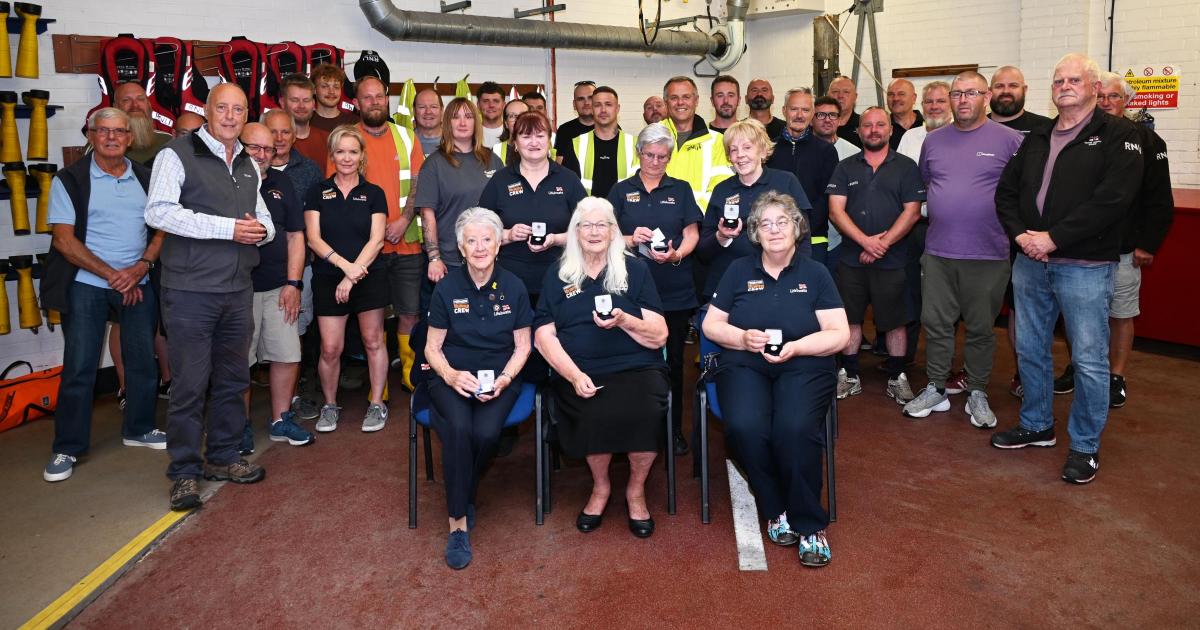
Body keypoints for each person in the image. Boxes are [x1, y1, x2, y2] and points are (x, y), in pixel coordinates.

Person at [993, 53, 1145, 484]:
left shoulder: (1119, 135)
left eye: (1074, 79)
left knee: (1090, 359)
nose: (1064, 86)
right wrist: (1021, 235)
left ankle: (1085, 446)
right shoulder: (1038, 135)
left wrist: (1053, 238)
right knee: (1030, 349)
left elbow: (1112, 200)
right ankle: (1037, 423)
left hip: (1083, 265)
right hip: (1029, 261)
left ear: (1094, 88)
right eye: (1058, 80)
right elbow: (1006, 192)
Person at [145, 83, 275, 510]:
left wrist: (262, 230)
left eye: (239, 109)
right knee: (189, 385)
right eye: (223, 108)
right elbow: (158, 211)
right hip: (190, 292)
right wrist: (228, 229)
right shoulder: (177, 155)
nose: (231, 116)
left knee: (234, 380)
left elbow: (265, 218)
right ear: (206, 110)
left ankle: (222, 457)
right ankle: (184, 472)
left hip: (237, 290)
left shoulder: (246, 163)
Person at [702, 191, 849, 567]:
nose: (774, 229)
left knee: (795, 428)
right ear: (754, 233)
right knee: (744, 426)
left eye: (782, 221)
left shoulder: (816, 273)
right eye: (764, 223)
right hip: (746, 361)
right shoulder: (738, 270)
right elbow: (711, 324)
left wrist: (798, 347)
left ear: (796, 227)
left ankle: (810, 523)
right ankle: (774, 506)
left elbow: (838, 333)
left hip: (804, 363)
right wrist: (742, 338)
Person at [41, 107, 166, 483]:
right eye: (103, 131)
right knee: (80, 367)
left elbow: (162, 229)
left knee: (143, 361)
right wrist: (114, 275)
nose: (112, 138)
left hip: (137, 282)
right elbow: (64, 240)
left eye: (119, 132)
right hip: (89, 285)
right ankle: (67, 447)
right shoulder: (71, 179)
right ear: (90, 135)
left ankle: (139, 428)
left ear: (130, 138)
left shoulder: (145, 178)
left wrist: (140, 268)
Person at [533, 197, 670, 538]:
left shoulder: (635, 269)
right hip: (579, 369)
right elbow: (543, 336)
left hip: (637, 365)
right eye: (586, 226)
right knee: (591, 410)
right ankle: (601, 486)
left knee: (647, 409)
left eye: (601, 225)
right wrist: (574, 375)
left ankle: (636, 490)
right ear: (576, 232)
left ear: (613, 231)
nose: (594, 232)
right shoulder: (558, 273)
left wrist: (625, 320)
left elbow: (660, 335)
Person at [900, 72, 1023, 427]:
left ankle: (978, 392)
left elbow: (1021, 193)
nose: (963, 99)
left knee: (981, 328)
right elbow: (927, 183)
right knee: (935, 324)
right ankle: (936, 386)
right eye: (957, 93)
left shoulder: (1010, 140)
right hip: (938, 251)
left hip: (988, 253)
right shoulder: (934, 141)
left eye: (972, 93)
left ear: (985, 97)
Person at [1052, 72, 1174, 408]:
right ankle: (1078, 367)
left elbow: (1159, 198)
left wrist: (1148, 243)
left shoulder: (1148, 142)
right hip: (1079, 247)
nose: (1107, 103)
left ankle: (1115, 376)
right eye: (1101, 96)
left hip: (1123, 249)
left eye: (1114, 97)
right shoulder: (1076, 133)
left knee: (1120, 314)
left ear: (1128, 101)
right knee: (1076, 315)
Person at [424, 207, 533, 569]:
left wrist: (504, 379)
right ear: (460, 247)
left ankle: (464, 484)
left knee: (487, 434)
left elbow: (523, 346)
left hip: (500, 376)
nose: (480, 247)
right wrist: (452, 376)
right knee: (458, 428)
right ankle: (457, 524)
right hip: (451, 375)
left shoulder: (515, 286)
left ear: (499, 244)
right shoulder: (446, 287)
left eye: (487, 239)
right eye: (472, 241)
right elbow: (431, 347)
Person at [609, 123, 703, 463]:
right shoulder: (621, 191)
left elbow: (692, 232)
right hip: (630, 291)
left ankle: (672, 428)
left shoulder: (680, 189)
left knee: (674, 364)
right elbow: (604, 237)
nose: (655, 162)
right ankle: (631, 431)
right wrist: (632, 239)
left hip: (674, 289)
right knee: (632, 362)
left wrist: (677, 253)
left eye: (662, 157)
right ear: (639, 154)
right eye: (649, 155)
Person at [827, 107, 924, 404]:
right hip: (851, 258)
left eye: (880, 124)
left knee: (895, 320)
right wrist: (865, 243)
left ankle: (897, 376)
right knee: (850, 318)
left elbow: (912, 211)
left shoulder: (906, 167)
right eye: (867, 125)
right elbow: (835, 210)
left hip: (893, 258)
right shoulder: (845, 167)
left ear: (890, 129)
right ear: (859, 130)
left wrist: (882, 244)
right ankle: (850, 375)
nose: (873, 130)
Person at [339, 76, 425, 391]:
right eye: (367, 98)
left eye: (379, 97)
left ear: (386, 100)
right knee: (372, 322)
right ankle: (380, 385)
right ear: (357, 103)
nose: (375, 102)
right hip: (365, 250)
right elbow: (338, 193)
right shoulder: (346, 140)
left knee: (409, 312)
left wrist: (404, 219)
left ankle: (409, 374)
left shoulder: (406, 137)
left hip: (407, 243)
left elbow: (418, 183)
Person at [305, 125, 390, 433]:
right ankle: (329, 404)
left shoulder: (374, 193)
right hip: (329, 277)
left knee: (373, 340)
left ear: (362, 156)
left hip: (368, 275)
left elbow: (377, 241)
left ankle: (377, 403)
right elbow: (313, 239)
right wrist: (345, 269)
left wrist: (352, 277)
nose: (346, 157)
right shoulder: (317, 192)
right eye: (340, 151)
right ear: (332, 155)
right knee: (330, 348)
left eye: (353, 151)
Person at [238, 122, 314, 452]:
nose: (262, 155)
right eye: (254, 147)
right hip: (237, 290)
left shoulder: (283, 183)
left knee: (287, 354)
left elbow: (297, 235)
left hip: (278, 288)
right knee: (239, 361)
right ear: (239, 146)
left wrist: (294, 283)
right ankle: (236, 425)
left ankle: (280, 419)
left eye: (268, 149)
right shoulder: (229, 182)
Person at [480, 111, 587, 302]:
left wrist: (556, 239)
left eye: (540, 135)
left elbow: (588, 229)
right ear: (514, 142)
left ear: (549, 141)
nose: (534, 142)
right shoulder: (500, 180)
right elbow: (479, 230)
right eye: (526, 136)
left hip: (562, 279)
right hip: (509, 282)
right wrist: (508, 235)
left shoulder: (568, 179)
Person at [697, 119, 810, 299]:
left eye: (747, 147)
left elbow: (803, 237)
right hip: (729, 285)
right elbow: (703, 251)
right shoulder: (721, 190)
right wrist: (722, 236)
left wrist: (798, 278)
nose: (740, 155)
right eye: (733, 150)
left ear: (763, 150)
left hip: (778, 282)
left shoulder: (786, 182)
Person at [263, 108, 323, 421]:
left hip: (300, 270)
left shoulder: (310, 171)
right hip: (254, 275)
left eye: (286, 131)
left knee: (294, 333)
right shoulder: (246, 169)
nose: (280, 138)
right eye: (273, 131)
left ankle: (293, 396)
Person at [417, 98, 505, 280]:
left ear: (476, 122)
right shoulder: (434, 164)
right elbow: (427, 215)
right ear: (447, 122)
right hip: (450, 261)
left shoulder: (492, 160)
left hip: (489, 258)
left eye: (469, 116)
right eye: (456, 117)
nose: (463, 122)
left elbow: (504, 208)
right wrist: (434, 258)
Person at [766, 88, 839, 263]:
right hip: (774, 239)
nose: (799, 115)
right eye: (794, 109)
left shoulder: (826, 151)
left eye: (805, 110)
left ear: (812, 113)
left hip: (814, 240)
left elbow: (827, 198)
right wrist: (781, 230)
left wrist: (800, 231)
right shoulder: (768, 149)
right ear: (784, 111)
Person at [662, 76, 733, 209]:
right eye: (674, 98)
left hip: (700, 222)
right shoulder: (653, 137)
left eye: (686, 97)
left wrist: (693, 215)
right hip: (657, 220)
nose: (680, 102)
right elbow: (639, 180)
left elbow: (721, 186)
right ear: (666, 102)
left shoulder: (716, 141)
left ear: (696, 101)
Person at [560, 86, 638, 198]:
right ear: (592, 109)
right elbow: (567, 188)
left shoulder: (635, 145)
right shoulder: (576, 145)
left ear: (617, 108)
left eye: (608, 104)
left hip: (625, 214)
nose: (603, 110)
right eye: (597, 105)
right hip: (587, 213)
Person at [113, 82, 172, 164]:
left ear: (149, 105)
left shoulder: (167, 141)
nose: (135, 105)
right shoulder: (103, 144)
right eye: (126, 100)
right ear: (115, 107)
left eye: (140, 99)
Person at [279, 73, 327, 166]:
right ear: (282, 103)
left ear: (313, 104)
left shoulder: (328, 140)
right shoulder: (275, 142)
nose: (301, 106)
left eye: (306, 100)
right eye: (295, 100)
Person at [989, 66, 1053, 135]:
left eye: (1013, 86)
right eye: (999, 86)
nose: (1006, 91)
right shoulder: (976, 127)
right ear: (989, 92)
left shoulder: (1046, 127)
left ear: (1024, 90)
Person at [554, 80, 596, 161]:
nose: (586, 102)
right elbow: (558, 164)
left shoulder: (610, 129)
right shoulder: (564, 130)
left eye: (590, 98)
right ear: (574, 105)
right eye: (581, 99)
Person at [309, 63, 358, 132]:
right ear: (314, 89)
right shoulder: (306, 121)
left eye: (336, 87)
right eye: (325, 86)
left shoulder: (354, 123)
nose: (331, 91)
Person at [886, 79, 923, 150]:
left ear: (914, 98)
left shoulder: (927, 126)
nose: (895, 98)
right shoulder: (881, 129)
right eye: (891, 94)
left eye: (901, 94)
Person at [492, 98, 529, 166]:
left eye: (523, 115)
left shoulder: (540, 148)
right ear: (506, 123)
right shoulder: (496, 150)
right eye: (512, 116)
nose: (518, 119)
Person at [827, 76, 861, 148]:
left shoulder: (864, 124)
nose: (840, 96)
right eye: (835, 91)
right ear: (828, 96)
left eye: (846, 92)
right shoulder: (817, 125)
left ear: (855, 97)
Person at [413, 88, 444, 156]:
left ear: (442, 111)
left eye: (433, 107)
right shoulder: (403, 142)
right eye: (422, 107)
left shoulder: (456, 142)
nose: (428, 112)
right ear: (414, 111)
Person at [476, 81, 506, 149]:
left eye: (496, 101)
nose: (491, 105)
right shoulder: (471, 133)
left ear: (504, 105)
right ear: (478, 105)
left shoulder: (512, 133)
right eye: (486, 101)